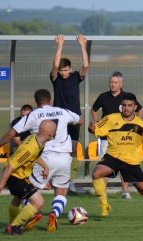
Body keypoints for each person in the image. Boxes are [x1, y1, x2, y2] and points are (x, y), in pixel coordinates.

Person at [0, 89, 83, 231]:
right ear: (50, 100)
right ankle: (54, 214)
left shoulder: (33, 115)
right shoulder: (62, 111)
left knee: (25, 193)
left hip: (43, 155)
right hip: (64, 156)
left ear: (36, 103)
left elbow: (12, 133)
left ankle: (26, 217)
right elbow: (80, 121)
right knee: (62, 190)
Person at [88, 93, 143, 220]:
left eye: (130, 106)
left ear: (135, 107)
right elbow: (96, 129)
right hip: (112, 156)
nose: (126, 108)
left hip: (130, 161)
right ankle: (105, 205)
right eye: (124, 105)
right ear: (121, 106)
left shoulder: (140, 124)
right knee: (96, 174)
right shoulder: (111, 118)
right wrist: (91, 128)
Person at [0, 120, 57, 235]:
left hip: (20, 176)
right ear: (50, 134)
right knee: (39, 202)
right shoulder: (30, 148)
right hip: (15, 177)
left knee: (17, 200)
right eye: (54, 132)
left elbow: (34, 156)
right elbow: (10, 167)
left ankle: (11, 226)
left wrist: (45, 166)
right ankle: (15, 226)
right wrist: (0, 187)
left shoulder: (36, 138)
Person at [91, 71, 143, 199]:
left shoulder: (127, 98)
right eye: (111, 82)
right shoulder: (103, 97)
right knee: (103, 165)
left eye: (115, 82)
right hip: (106, 138)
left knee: (125, 163)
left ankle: (125, 191)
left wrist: (135, 124)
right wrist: (98, 123)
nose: (113, 85)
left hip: (124, 139)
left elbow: (140, 110)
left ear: (121, 83)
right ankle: (103, 192)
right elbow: (94, 109)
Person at [50, 34, 89, 193]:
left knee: (72, 150)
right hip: (59, 121)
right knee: (58, 150)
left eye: (65, 70)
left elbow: (86, 66)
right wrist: (60, 45)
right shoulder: (56, 79)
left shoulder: (75, 77)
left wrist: (82, 46)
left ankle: (69, 182)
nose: (63, 73)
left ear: (70, 69)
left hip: (73, 120)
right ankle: (54, 180)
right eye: (61, 70)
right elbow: (54, 65)